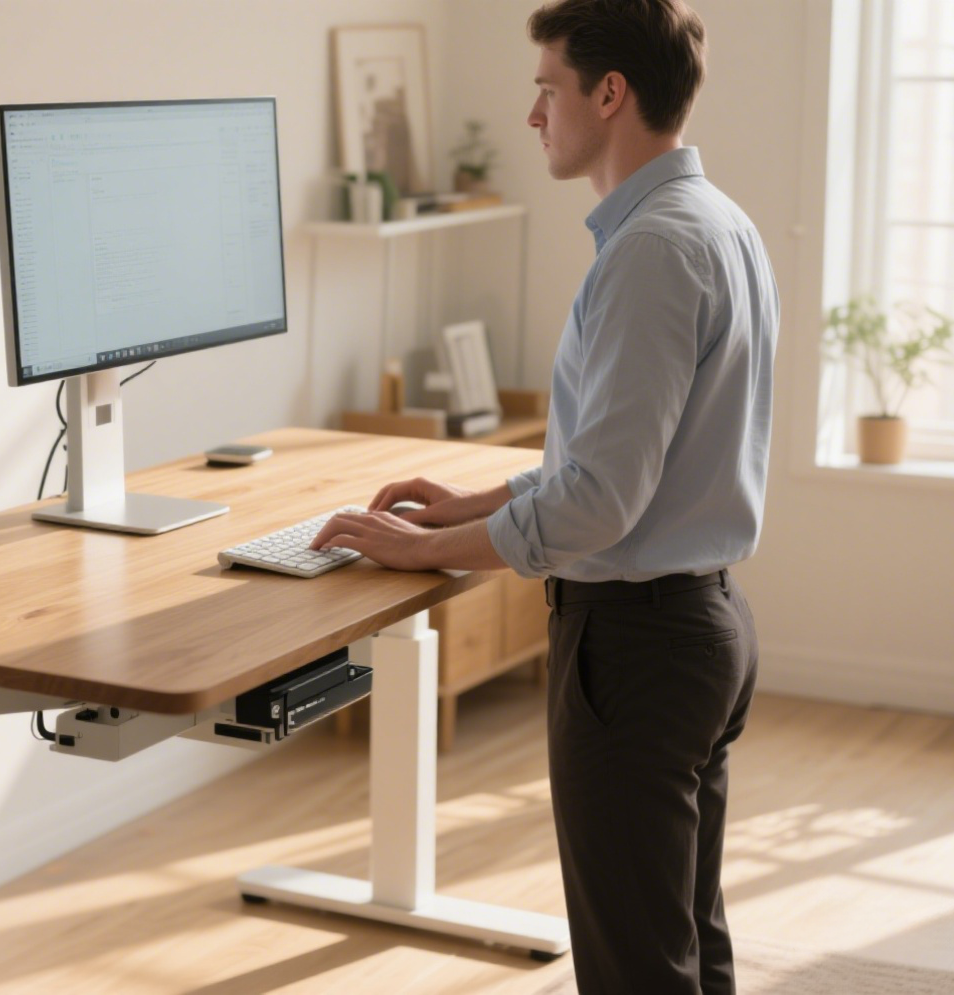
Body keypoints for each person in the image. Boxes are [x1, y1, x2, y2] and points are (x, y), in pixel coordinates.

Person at [310, 1, 778, 991]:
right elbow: (626, 460)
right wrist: (470, 502)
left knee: (636, 966)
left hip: (638, 647)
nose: (532, 115)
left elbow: (601, 500)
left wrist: (418, 551)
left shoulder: (654, 247)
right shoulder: (714, 221)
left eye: (546, 88)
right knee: (688, 940)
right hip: (703, 622)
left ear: (610, 95)